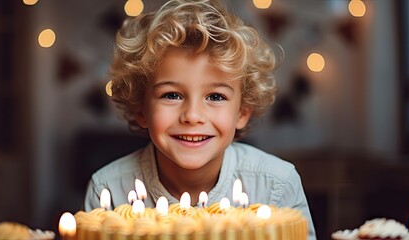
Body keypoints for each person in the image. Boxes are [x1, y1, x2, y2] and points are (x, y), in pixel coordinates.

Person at [83, 0, 316, 239]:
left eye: (215, 96)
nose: (193, 116)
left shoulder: (276, 186)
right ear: (141, 110)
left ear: (242, 112)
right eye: (171, 95)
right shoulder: (108, 191)